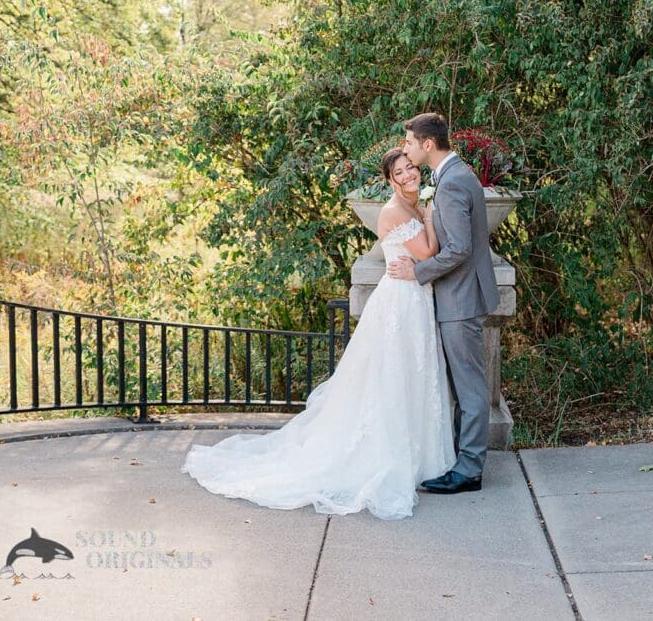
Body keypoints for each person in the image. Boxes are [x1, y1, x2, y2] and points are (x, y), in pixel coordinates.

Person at [181, 147, 456, 520]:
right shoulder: (394, 211)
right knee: (391, 380)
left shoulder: (412, 207)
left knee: (415, 376)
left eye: (411, 168)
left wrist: (423, 212)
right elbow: (429, 252)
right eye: (400, 173)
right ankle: (386, 457)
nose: (409, 176)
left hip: (416, 301)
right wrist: (431, 215)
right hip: (399, 306)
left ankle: (421, 459)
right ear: (389, 180)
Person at [387, 112, 500, 494]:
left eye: (409, 143)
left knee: (469, 388)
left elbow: (459, 250)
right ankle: (460, 459)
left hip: (460, 298)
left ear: (427, 144)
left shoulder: (451, 184)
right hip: (461, 295)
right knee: (463, 385)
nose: (406, 149)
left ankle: (468, 470)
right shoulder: (455, 175)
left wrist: (416, 274)